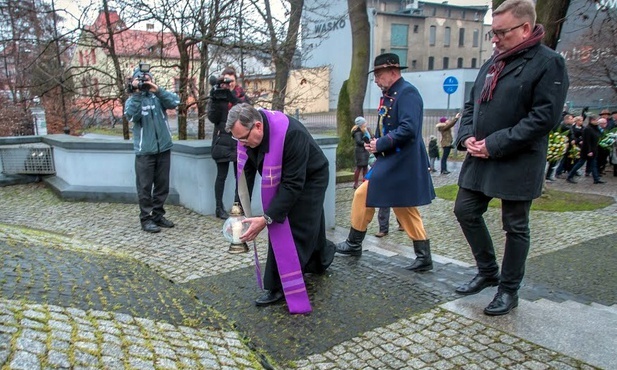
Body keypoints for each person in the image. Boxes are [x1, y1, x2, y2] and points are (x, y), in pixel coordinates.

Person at [452, 0, 569, 316]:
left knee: (515, 226)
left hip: (518, 159)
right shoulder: (492, 62)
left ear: (525, 29)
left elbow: (544, 118)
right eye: (493, 32)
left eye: (501, 32)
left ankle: (508, 290)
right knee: (464, 210)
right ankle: (488, 270)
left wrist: (495, 143)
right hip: (480, 156)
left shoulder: (548, 63)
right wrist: (466, 137)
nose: (495, 39)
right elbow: (471, 105)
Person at [225, 103, 336, 313]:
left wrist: (266, 219)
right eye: (237, 140)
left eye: (244, 138)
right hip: (286, 179)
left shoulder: (293, 135)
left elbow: (293, 185)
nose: (242, 145)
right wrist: (237, 211)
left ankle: (277, 286)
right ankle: (322, 256)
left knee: (293, 226)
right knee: (310, 221)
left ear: (258, 126)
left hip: (310, 178)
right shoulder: (247, 138)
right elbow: (244, 175)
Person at [335, 53, 436, 272]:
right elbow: (389, 126)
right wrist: (375, 143)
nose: (376, 80)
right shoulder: (392, 93)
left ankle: (354, 243)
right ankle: (423, 256)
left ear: (393, 72)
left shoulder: (407, 93)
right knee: (401, 206)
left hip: (402, 161)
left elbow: (409, 129)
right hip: (392, 159)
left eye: (379, 75)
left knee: (366, 195)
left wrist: (381, 143)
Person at [124, 64, 180, 233]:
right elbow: (132, 116)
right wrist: (137, 93)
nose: (144, 82)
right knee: (145, 187)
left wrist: (157, 89)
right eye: (140, 78)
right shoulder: (133, 100)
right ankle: (146, 218)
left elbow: (174, 102)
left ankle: (158, 215)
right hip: (145, 152)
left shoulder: (158, 97)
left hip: (163, 149)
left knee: (162, 185)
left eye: (146, 78)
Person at [207, 66, 252, 219]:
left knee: (239, 178)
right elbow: (213, 118)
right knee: (221, 176)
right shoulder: (218, 95)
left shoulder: (241, 95)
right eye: (226, 80)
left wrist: (231, 96)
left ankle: (237, 207)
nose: (228, 84)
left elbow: (248, 111)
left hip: (239, 141)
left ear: (235, 81)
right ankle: (219, 208)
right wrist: (214, 99)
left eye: (231, 81)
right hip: (222, 140)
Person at [567, 115, 605, 184]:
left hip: (593, 149)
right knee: (580, 163)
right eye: (596, 120)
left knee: (593, 164)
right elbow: (586, 141)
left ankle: (596, 179)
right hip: (587, 150)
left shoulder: (595, 128)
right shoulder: (587, 129)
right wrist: (589, 151)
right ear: (592, 120)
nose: (597, 122)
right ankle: (570, 176)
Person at [351, 116, 371, 189]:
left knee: (364, 167)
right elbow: (358, 141)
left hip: (363, 151)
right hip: (360, 151)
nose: (366, 123)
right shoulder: (358, 132)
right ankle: (356, 183)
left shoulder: (363, 131)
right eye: (364, 122)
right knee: (359, 167)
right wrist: (364, 143)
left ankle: (364, 182)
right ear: (361, 124)